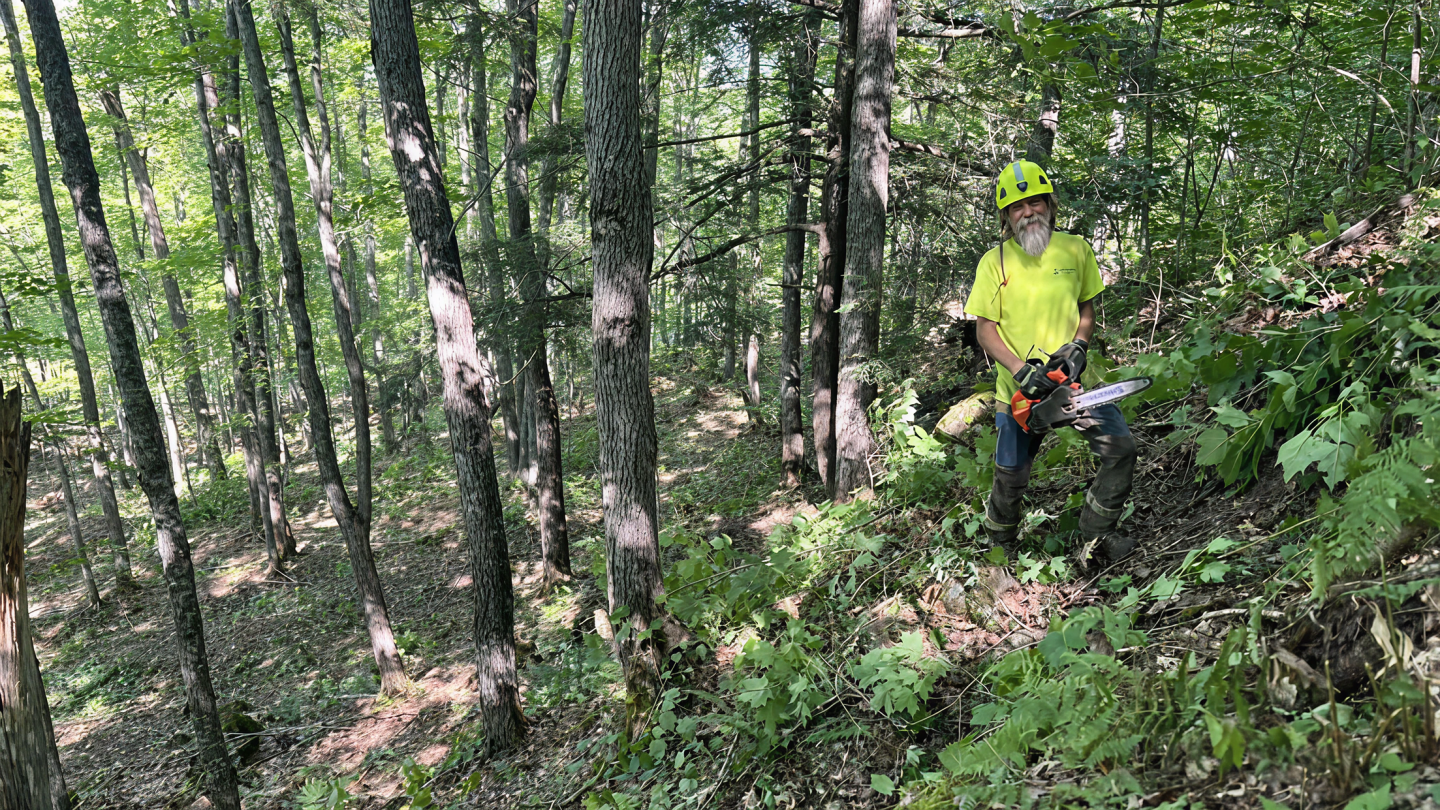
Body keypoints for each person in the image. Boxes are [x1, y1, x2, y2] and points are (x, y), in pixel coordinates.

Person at [962, 160, 1138, 563]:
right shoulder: (995, 262)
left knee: (1121, 450)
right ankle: (1000, 548)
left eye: (1036, 202)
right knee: (1011, 476)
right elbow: (985, 329)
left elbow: (1087, 310)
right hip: (1020, 393)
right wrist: (1021, 371)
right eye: (1018, 207)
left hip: (1075, 386)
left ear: (1050, 204)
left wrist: (1078, 345)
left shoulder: (1076, 249)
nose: (1029, 212)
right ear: (1006, 216)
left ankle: (1096, 537)